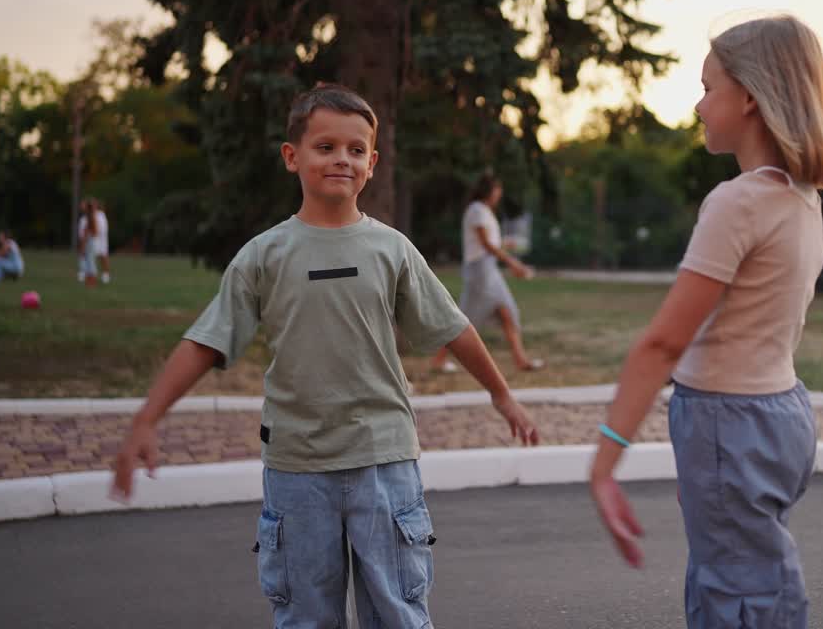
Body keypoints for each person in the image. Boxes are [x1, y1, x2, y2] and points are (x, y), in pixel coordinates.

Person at [110, 84, 540, 628]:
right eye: (326, 146)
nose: (342, 158)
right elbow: (206, 341)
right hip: (297, 470)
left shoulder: (392, 249)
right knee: (306, 619)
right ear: (292, 156)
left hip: (384, 463)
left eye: (356, 150)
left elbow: (453, 327)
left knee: (399, 614)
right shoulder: (264, 256)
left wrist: (503, 396)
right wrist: (148, 419)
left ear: (373, 163)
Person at [588, 13, 823, 629]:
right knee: (747, 574)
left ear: (752, 97)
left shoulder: (738, 201)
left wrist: (605, 463)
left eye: (709, 87)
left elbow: (662, 343)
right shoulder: (800, 199)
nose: (698, 104)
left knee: (737, 597)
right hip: (778, 414)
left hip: (728, 420)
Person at [430, 171, 544, 374]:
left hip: (488, 269)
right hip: (480, 271)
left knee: (508, 312)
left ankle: (521, 360)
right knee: (463, 320)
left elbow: (490, 243)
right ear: (489, 190)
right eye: (498, 189)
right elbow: (485, 244)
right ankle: (439, 360)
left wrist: (506, 247)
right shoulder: (477, 210)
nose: (499, 193)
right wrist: (512, 263)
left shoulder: (484, 211)